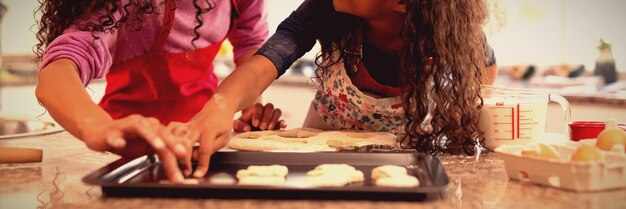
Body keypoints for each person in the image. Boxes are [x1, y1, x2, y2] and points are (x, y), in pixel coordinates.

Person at [182, 0, 498, 178]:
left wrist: (462, 110)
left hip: (404, 165)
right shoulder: (322, 9)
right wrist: (222, 104)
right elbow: (264, 63)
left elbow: (485, 68)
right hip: (322, 159)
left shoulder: (449, 35)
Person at [34, 0, 284, 182]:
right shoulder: (121, 4)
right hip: (129, 152)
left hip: (204, 145)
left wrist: (249, 107)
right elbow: (58, 70)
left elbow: (250, 45)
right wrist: (99, 127)